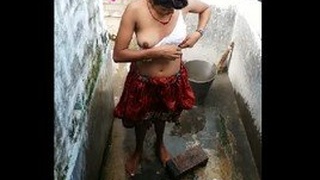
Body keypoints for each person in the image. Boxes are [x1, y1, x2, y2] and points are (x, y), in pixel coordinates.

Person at [112, 0, 211, 177]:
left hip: (173, 81)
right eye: (164, 8)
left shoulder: (180, 4)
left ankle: (160, 144)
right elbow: (118, 54)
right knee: (142, 118)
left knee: (164, 115)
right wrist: (154, 52)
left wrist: (198, 33)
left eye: (173, 9)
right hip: (144, 82)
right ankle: (139, 150)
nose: (169, 12)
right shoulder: (135, 9)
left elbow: (205, 9)